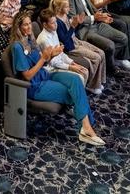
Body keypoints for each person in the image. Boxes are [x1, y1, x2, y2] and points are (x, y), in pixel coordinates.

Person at [11, 10, 105, 146]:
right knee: (73, 92)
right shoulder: (17, 47)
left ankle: (85, 128)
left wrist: (51, 55)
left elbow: (43, 61)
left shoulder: (30, 40)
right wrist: (44, 58)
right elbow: (27, 75)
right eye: (25, 25)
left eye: (29, 24)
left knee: (76, 80)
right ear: (18, 27)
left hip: (46, 75)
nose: (29, 27)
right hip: (35, 86)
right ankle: (87, 128)